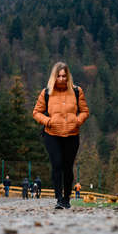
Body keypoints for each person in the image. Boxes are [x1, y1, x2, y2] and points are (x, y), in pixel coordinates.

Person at [33, 61, 89, 209]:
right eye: (59, 76)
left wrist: (77, 121)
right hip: (52, 134)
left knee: (68, 167)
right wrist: (48, 121)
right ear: (54, 77)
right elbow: (36, 112)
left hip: (72, 134)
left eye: (64, 76)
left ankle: (66, 199)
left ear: (68, 76)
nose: (62, 79)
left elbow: (84, 111)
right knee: (57, 165)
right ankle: (58, 198)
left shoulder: (77, 91)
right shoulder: (46, 92)